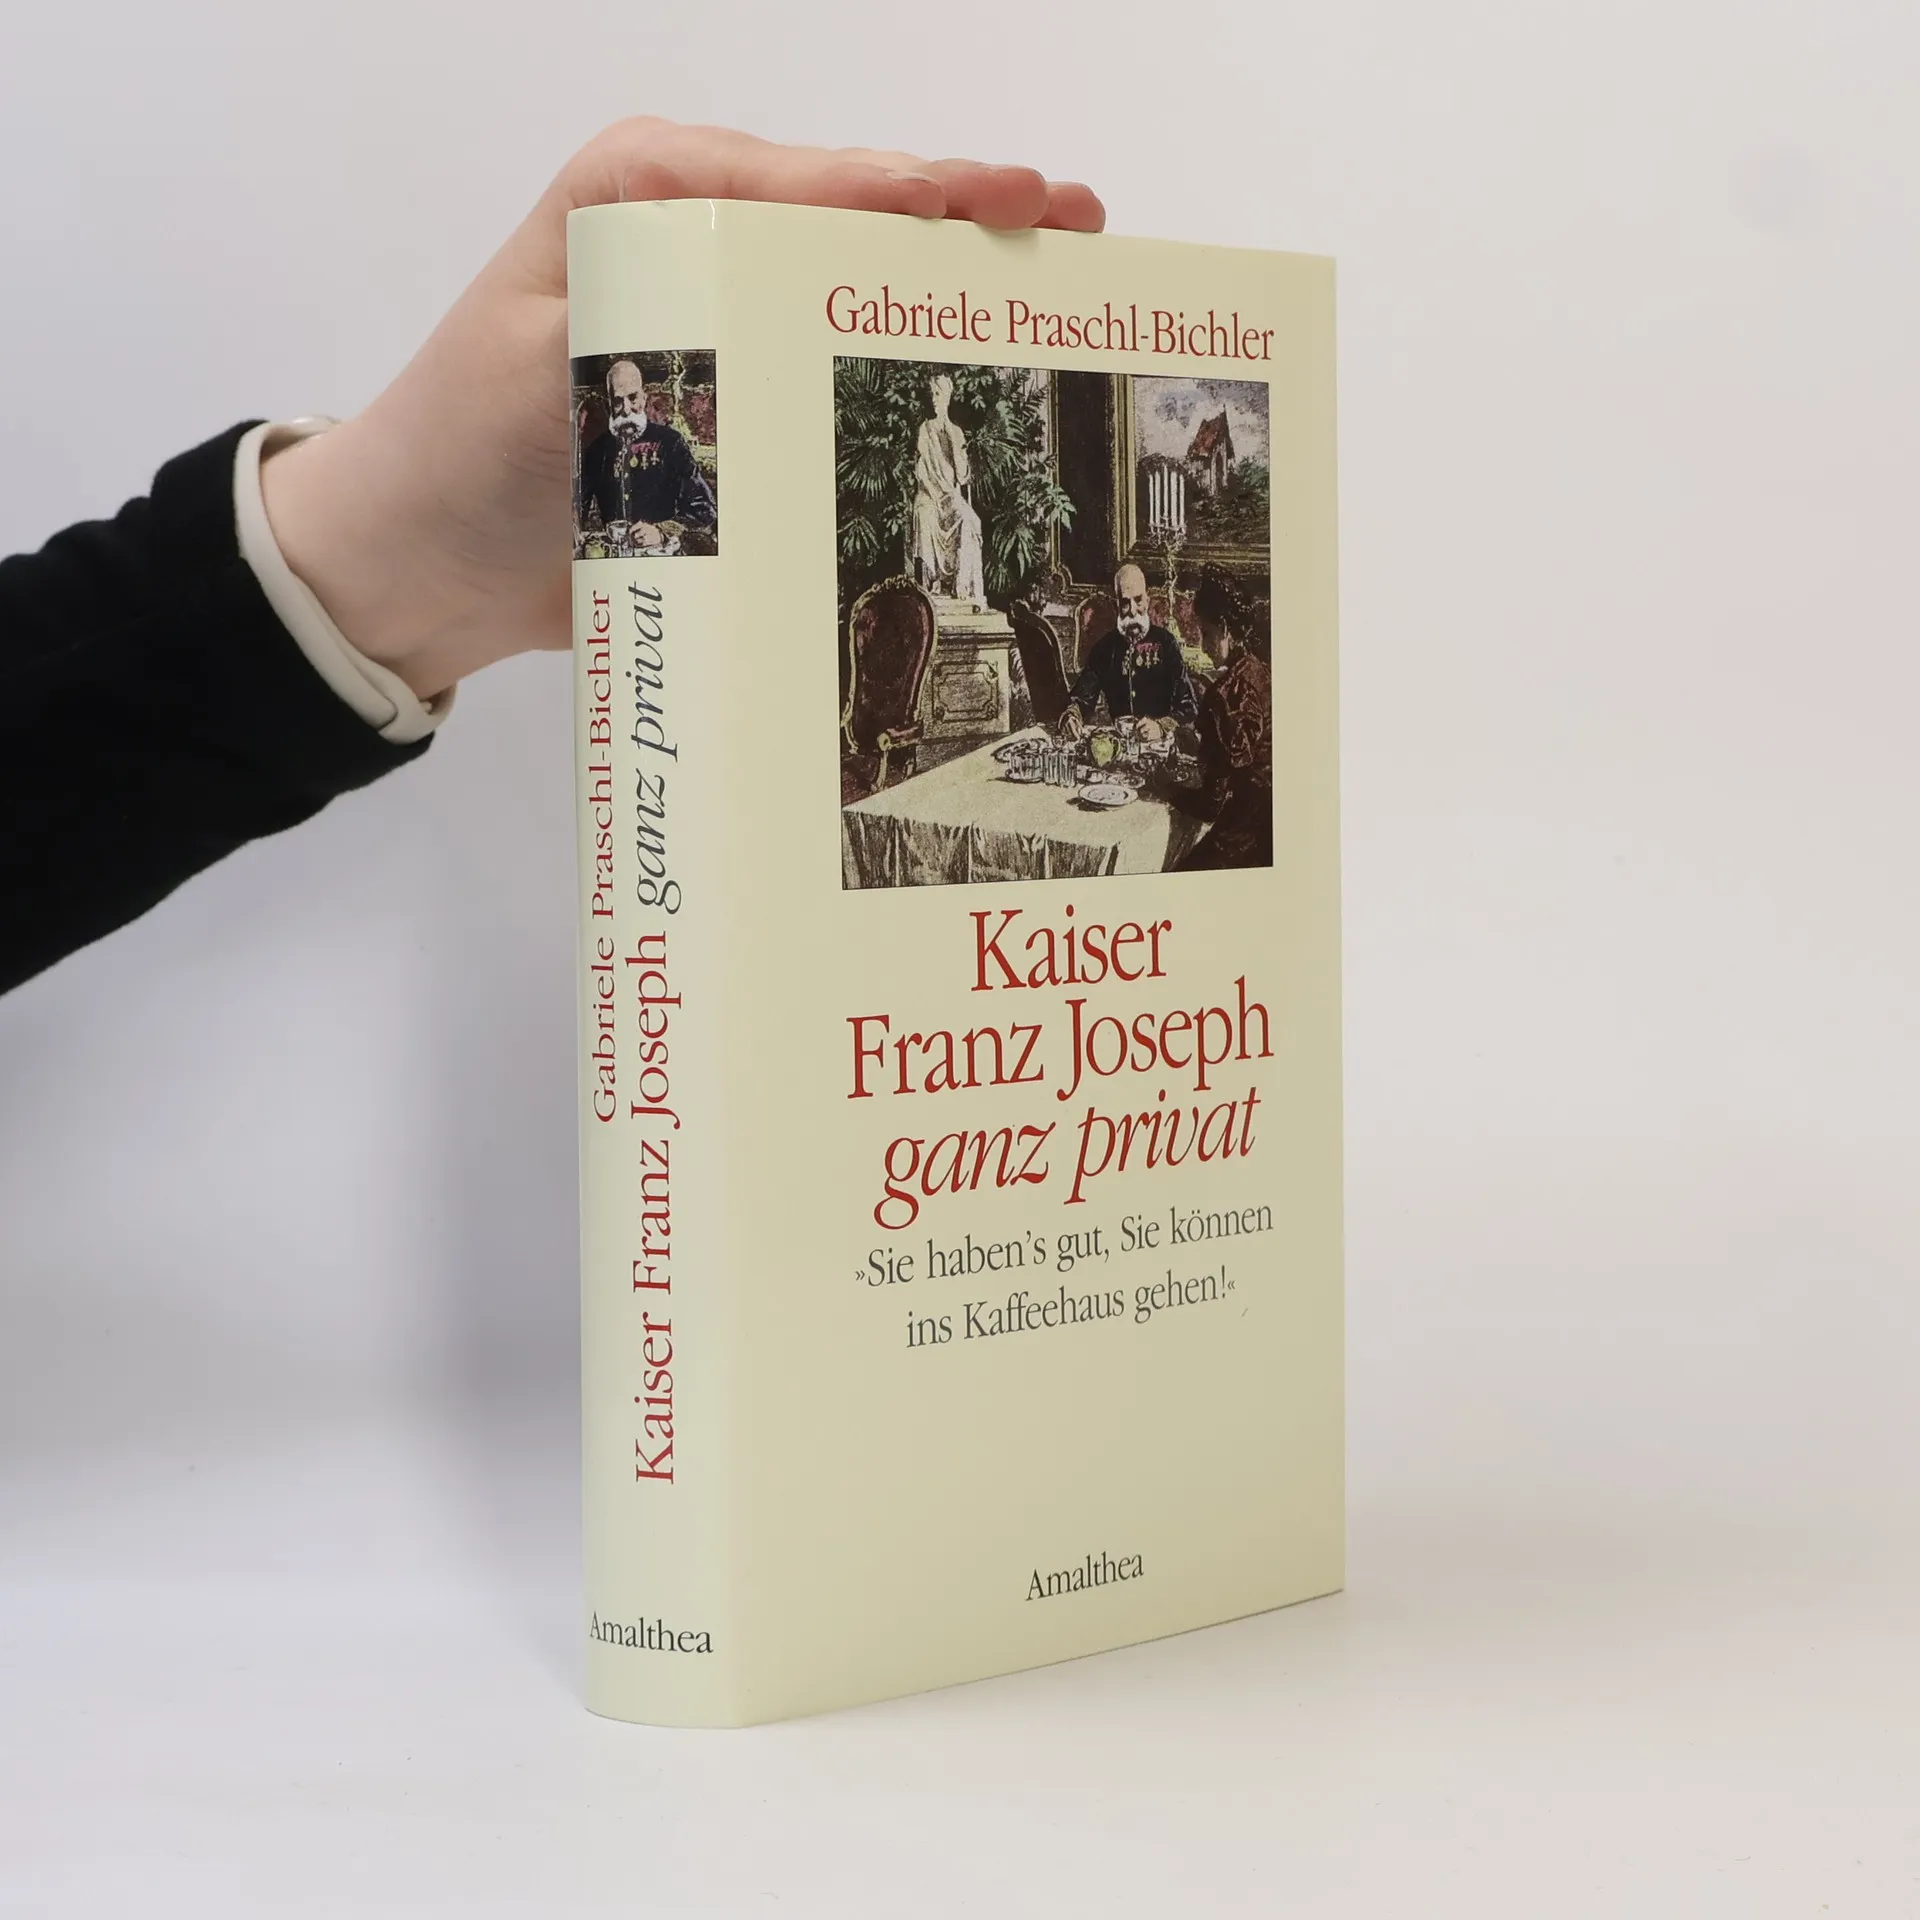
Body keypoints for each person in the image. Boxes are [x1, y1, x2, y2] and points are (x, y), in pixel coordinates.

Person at [0, 120, 1104, 996]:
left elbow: (698, 500)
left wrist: (387, 549)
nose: (624, 408)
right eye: (614, 394)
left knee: (958, 532)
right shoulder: (633, 439)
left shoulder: (683, 445)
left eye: (631, 393)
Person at [1157, 565, 1273, 871]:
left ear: (1224, 629)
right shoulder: (1258, 670)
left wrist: (1166, 787)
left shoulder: (1226, 694)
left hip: (1248, 836)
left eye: (1206, 633)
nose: (1202, 644)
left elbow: (1211, 805)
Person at [575, 357, 716, 548]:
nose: (626, 409)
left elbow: (705, 508)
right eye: (617, 401)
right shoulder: (597, 449)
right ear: (609, 403)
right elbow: (576, 509)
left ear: (644, 397)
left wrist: (662, 532)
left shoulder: (670, 442)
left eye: (632, 398)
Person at [1058, 561, 1197, 741]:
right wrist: (1071, 717)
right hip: (1120, 743)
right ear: (1116, 606)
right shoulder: (1104, 648)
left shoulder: (1166, 643)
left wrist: (1161, 727)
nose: (1132, 611)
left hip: (1159, 745)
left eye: (1138, 600)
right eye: (1125, 603)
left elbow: (1189, 707)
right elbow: (1081, 699)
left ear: (1147, 601)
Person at [910, 371, 985, 606]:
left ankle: (961, 585)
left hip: (951, 496)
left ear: (947, 397)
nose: (934, 398)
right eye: (932, 393)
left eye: (938, 393)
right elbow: (921, 469)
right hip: (930, 494)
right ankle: (932, 583)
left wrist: (954, 442)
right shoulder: (925, 429)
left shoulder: (956, 432)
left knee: (967, 519)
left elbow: (962, 476)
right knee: (924, 513)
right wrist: (933, 493)